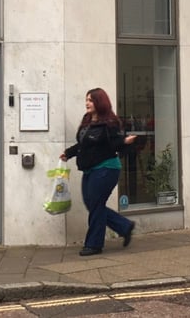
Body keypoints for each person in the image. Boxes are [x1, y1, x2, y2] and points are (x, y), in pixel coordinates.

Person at [60, 87, 137, 257]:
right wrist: (68, 153)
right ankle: (124, 226)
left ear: (99, 102)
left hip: (107, 168)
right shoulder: (87, 120)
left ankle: (94, 244)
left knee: (95, 205)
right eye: (86, 100)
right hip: (90, 169)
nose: (87, 103)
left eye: (91, 100)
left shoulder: (110, 121)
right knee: (92, 205)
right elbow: (83, 144)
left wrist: (125, 141)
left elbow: (116, 142)